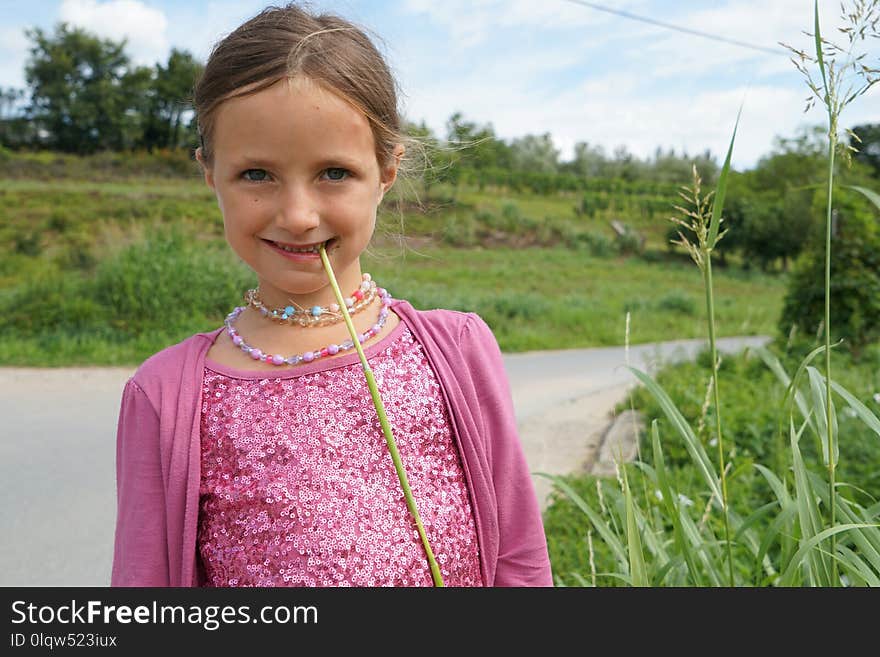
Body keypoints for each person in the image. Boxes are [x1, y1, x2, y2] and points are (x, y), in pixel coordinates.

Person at [111, 2, 552, 587]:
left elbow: (520, 562)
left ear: (387, 170)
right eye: (257, 174)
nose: (297, 216)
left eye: (335, 173)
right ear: (210, 174)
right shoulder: (165, 398)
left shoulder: (459, 352)